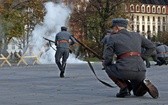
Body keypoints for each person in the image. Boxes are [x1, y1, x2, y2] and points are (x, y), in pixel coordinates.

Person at [102, 18, 159, 98]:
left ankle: (124, 88)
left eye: (113, 27)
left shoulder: (113, 38)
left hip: (125, 70)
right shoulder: (137, 35)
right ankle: (143, 84)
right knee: (137, 93)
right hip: (141, 71)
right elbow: (151, 47)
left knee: (108, 67)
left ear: (117, 27)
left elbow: (108, 57)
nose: (112, 29)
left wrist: (105, 63)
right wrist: (143, 57)